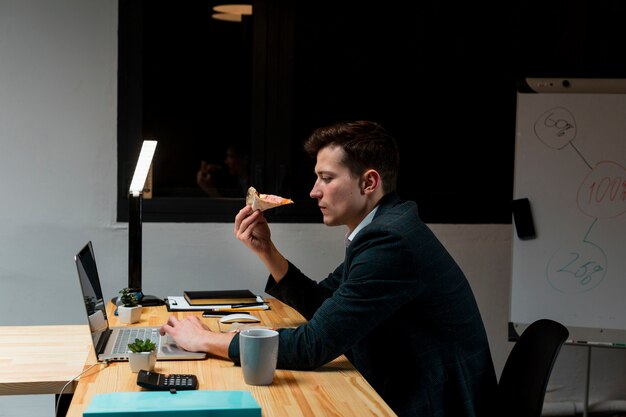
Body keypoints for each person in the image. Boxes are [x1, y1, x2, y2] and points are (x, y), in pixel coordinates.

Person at [160, 120, 498, 417]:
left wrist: (205, 340)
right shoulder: (385, 227)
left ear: (368, 182)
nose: (313, 191)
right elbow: (324, 304)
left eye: (326, 178)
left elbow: (312, 346)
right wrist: (266, 250)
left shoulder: (390, 241)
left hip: (430, 405)